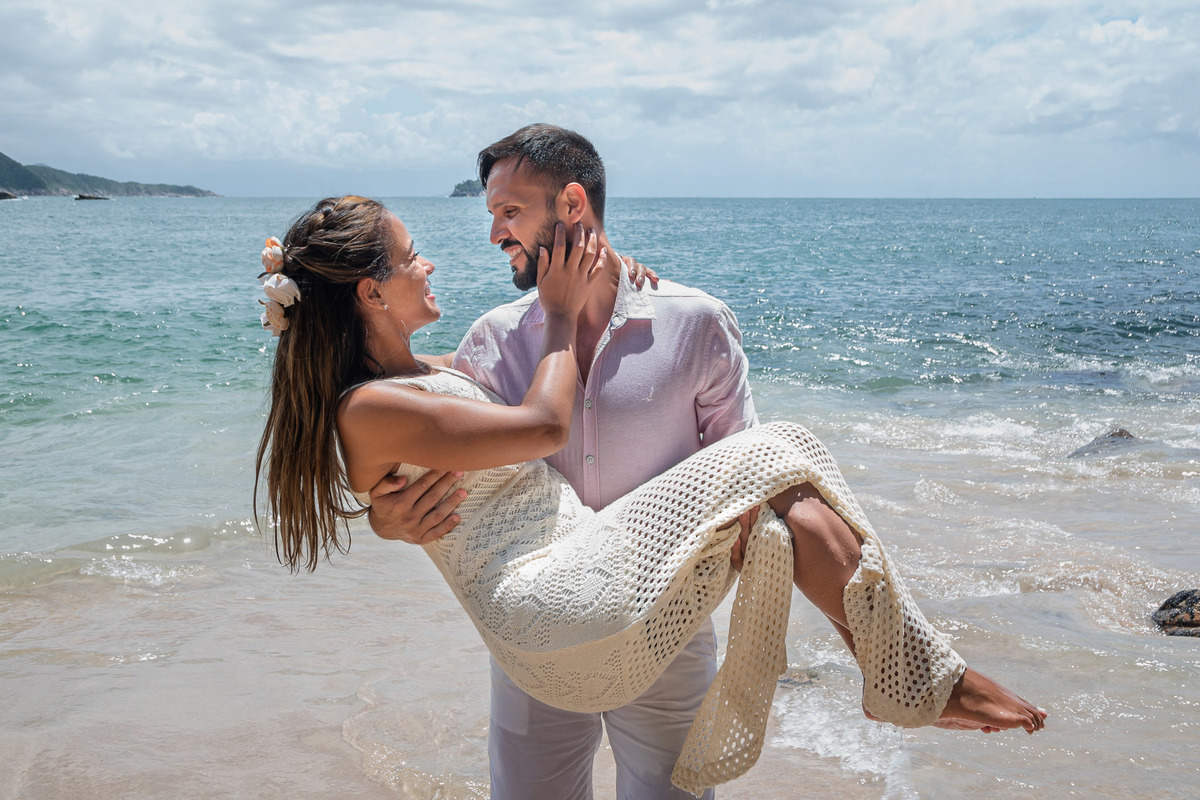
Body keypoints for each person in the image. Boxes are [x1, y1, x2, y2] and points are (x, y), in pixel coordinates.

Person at [254, 194, 1047, 798]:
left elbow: (422, 451)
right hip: (552, 604)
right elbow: (539, 425)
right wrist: (563, 316)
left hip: (585, 594)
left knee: (778, 505)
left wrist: (599, 278)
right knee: (780, 450)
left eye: (510, 214)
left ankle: (897, 671)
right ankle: (912, 673)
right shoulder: (374, 403)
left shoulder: (419, 374)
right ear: (369, 292)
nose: (431, 265)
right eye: (412, 256)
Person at [369, 123, 759, 800]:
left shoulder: (694, 323)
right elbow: (431, 466)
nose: (495, 235)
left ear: (572, 206)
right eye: (493, 215)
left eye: (510, 213)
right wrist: (386, 519)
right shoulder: (490, 340)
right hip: (533, 643)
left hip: (664, 638)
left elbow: (746, 481)